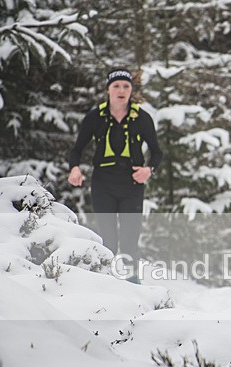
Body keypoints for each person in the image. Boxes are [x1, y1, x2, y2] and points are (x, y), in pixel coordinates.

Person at [68, 68, 162, 284]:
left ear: (131, 90)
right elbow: (77, 149)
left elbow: (157, 152)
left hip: (132, 184)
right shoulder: (95, 117)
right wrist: (75, 168)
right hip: (103, 184)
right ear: (108, 90)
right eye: (116, 86)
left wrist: (149, 170)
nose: (121, 90)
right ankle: (105, 283)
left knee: (130, 240)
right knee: (107, 239)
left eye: (126, 86)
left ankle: (133, 284)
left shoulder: (141, 118)